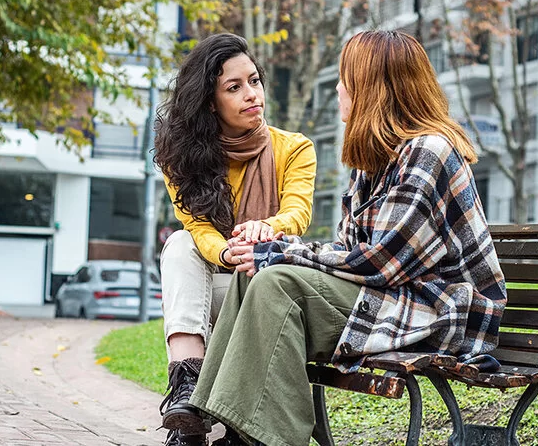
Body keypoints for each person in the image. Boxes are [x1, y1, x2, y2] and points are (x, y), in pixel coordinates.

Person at [169, 30, 507, 446]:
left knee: (276, 280)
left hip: (435, 308)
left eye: (346, 78)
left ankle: (269, 439)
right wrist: (272, 256)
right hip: (392, 296)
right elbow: (350, 250)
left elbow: (379, 261)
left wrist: (279, 250)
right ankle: (232, 429)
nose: (338, 87)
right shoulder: (374, 161)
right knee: (254, 275)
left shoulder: (428, 150)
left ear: (371, 89)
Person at [153, 33, 317, 446]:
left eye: (255, 81)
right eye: (234, 87)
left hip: (266, 289)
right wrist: (227, 249)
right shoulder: (182, 159)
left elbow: (298, 213)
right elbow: (198, 230)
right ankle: (188, 394)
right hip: (219, 281)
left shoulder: (294, 148)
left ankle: (206, 416)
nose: (251, 95)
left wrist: (269, 228)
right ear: (211, 102)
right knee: (178, 246)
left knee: (242, 285)